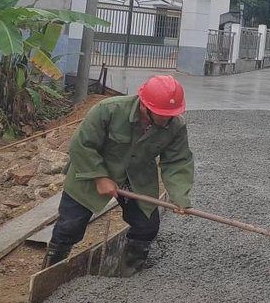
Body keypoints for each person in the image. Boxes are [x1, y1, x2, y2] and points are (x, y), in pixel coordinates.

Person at [43, 75, 194, 274]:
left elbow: (177, 162)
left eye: (170, 114)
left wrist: (179, 196)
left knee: (147, 227)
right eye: (161, 114)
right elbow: (81, 145)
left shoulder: (175, 126)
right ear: (143, 105)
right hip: (91, 171)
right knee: (70, 226)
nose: (166, 119)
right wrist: (100, 177)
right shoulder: (108, 110)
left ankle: (127, 273)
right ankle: (51, 271)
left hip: (136, 178)